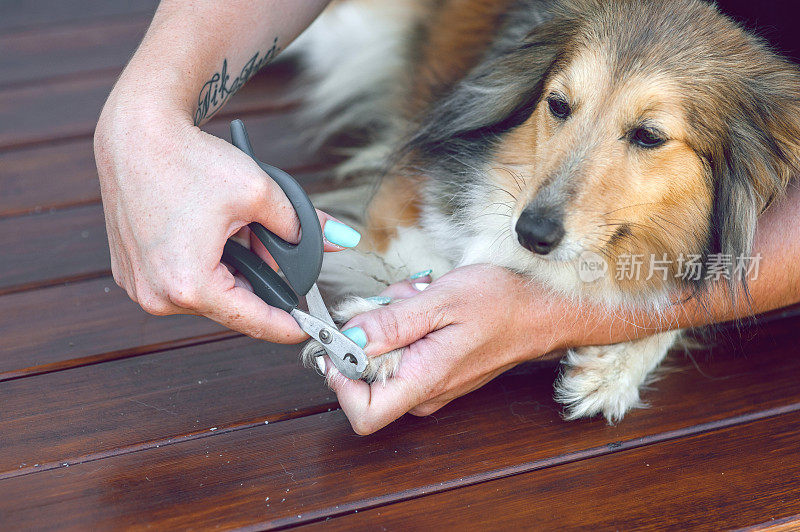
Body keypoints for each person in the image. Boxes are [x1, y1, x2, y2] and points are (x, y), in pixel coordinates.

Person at [95, 0, 800, 436]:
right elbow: (409, 206)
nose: (547, 205)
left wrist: (617, 318)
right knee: (335, 46)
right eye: (561, 105)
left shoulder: (759, 129)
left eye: (645, 137)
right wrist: (143, 116)